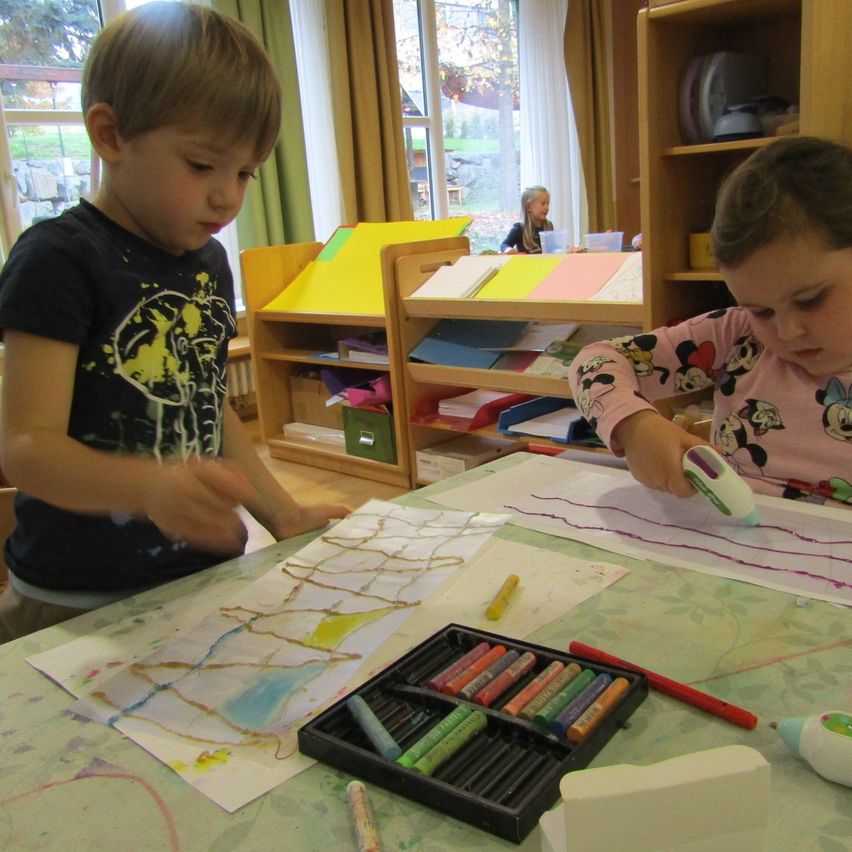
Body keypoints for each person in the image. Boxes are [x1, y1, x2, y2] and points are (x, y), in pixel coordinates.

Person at [0, 2, 350, 642]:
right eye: (201, 166)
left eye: (244, 172)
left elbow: (208, 410)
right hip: (76, 604)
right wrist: (146, 488)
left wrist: (282, 511)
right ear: (110, 135)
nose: (228, 196)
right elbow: (25, 449)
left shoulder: (207, 261)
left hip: (198, 584)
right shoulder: (58, 259)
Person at [567, 135, 852, 508]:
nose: (787, 331)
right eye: (761, 310)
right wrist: (633, 424)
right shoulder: (737, 337)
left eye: (810, 300)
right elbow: (594, 360)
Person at [500, 185, 553, 253]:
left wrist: (562, 249)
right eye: (543, 204)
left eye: (547, 204)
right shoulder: (519, 228)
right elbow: (504, 245)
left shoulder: (549, 226)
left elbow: (553, 247)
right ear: (529, 207)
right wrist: (507, 249)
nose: (546, 207)